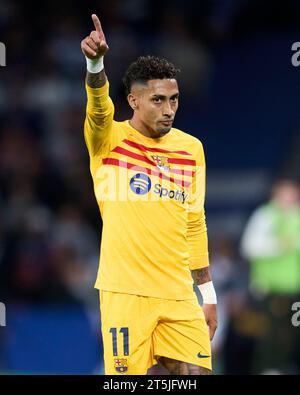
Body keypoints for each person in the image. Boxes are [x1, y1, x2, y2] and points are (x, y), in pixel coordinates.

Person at [81, 14, 218, 375]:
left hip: (178, 294)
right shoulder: (108, 139)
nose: (169, 110)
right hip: (126, 293)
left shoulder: (191, 149)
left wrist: (209, 296)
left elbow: (195, 222)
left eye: (174, 99)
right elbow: (98, 105)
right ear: (134, 100)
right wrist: (95, 63)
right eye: (158, 100)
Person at [240, 179, 300, 373]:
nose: (290, 198)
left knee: (291, 332)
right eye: (286, 194)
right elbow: (248, 247)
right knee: (270, 334)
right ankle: (267, 369)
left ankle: (282, 367)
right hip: (270, 288)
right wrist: (278, 245)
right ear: (275, 195)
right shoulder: (265, 216)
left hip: (294, 288)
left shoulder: (298, 216)